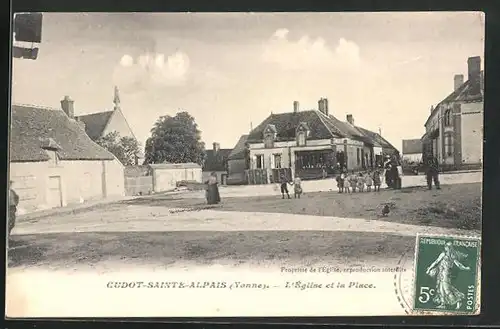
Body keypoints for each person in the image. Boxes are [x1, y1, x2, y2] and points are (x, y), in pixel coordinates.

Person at [426, 242, 470, 309]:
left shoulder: (451, 256)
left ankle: (459, 300)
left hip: (446, 274)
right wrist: (429, 268)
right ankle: (443, 304)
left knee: (447, 290)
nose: (445, 247)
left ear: (449, 247)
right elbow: (436, 262)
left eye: (446, 246)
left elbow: (458, 265)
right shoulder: (444, 254)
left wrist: (465, 268)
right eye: (445, 246)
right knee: (441, 289)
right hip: (441, 274)